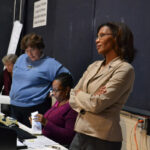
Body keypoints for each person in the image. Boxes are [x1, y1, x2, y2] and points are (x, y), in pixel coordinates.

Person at [69, 22, 136, 150]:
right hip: (81, 132)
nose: (96, 40)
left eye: (102, 35)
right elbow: (72, 95)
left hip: (103, 139)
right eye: (97, 36)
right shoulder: (94, 66)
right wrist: (87, 97)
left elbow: (97, 104)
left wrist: (80, 94)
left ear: (117, 38)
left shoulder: (124, 69)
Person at [10, 33, 70, 127]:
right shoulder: (21, 58)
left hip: (34, 108)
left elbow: (67, 78)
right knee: (13, 137)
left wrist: (52, 92)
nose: (29, 54)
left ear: (40, 48)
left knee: (34, 138)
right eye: (27, 50)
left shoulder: (50, 64)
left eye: (33, 49)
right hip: (14, 106)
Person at [30, 73, 77, 147]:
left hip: (57, 146)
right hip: (45, 141)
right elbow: (51, 124)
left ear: (67, 90)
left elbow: (69, 136)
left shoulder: (72, 108)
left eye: (56, 90)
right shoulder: (58, 101)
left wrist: (46, 122)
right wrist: (37, 123)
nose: (53, 93)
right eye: (52, 90)